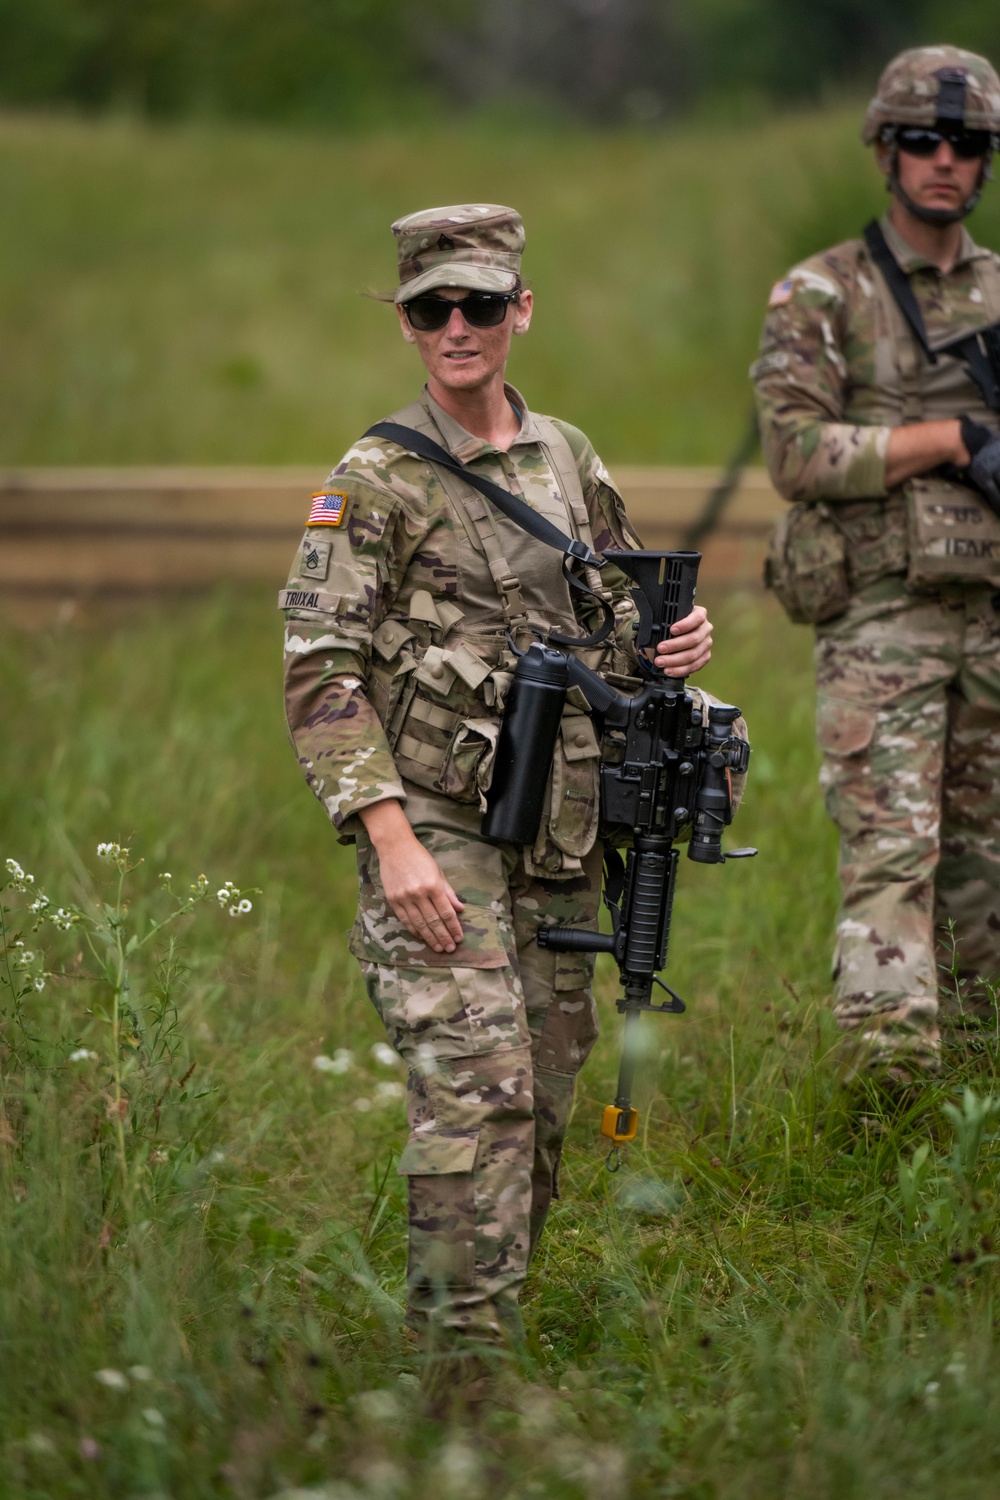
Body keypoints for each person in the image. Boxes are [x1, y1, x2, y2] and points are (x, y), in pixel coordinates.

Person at [279, 204, 714, 1384]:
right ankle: (461, 1389)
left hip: (560, 836)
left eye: (479, 304)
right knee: (476, 1098)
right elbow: (321, 671)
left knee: (544, 1109)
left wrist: (674, 645)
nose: (456, 328)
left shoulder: (568, 456)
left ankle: (477, 1353)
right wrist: (389, 839)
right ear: (409, 323)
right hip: (438, 830)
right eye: (431, 309)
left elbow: (623, 622)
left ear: (521, 309)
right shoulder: (374, 477)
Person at [752, 47, 1000, 1080]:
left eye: (966, 144)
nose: (943, 161)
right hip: (880, 621)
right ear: (883, 151)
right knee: (893, 864)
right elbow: (793, 451)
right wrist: (946, 442)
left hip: (990, 616)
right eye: (920, 141)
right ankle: (887, 1106)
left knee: (985, 873)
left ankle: (975, 1103)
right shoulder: (823, 292)